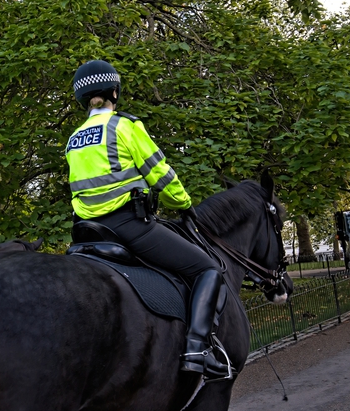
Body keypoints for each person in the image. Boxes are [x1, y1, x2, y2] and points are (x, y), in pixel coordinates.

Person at [64, 60, 231, 379]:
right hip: (128, 226)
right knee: (207, 268)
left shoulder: (74, 139)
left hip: (88, 233)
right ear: (114, 91)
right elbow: (161, 174)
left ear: (84, 97)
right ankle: (198, 348)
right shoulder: (123, 126)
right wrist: (183, 203)